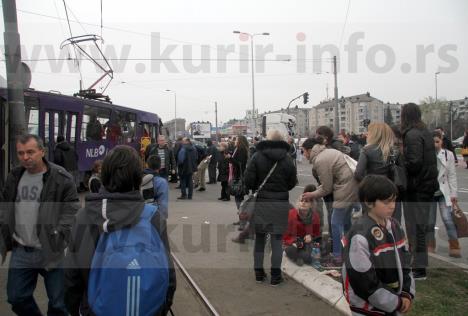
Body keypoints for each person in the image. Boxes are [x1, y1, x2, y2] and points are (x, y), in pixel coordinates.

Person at [64, 145, 176, 316]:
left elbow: (72, 278)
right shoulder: (153, 216)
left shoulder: (85, 216)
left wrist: (77, 309)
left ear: (104, 176)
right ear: (138, 179)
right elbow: (168, 275)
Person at [0, 134, 80, 315]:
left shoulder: (61, 177)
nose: (25, 157)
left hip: (51, 249)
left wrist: (60, 234)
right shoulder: (14, 176)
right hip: (22, 249)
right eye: (20, 153)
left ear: (42, 152)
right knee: (16, 298)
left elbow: (71, 209)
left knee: (59, 303)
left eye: (30, 152)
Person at [342, 175, 415, 316]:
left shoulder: (395, 226)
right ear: (369, 202)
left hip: (393, 302)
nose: (393, 206)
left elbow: (406, 261)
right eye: (387, 202)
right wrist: (395, 303)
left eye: (394, 200)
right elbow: (363, 281)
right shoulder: (360, 235)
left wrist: (406, 292)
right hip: (367, 308)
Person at [244, 130, 297, 286]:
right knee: (276, 240)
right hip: (280, 203)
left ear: (267, 140)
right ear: (281, 141)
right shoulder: (287, 159)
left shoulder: (257, 156)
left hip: (261, 203)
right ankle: (275, 275)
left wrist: (257, 188)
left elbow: (248, 180)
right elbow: (292, 182)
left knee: (260, 239)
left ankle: (259, 273)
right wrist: (280, 189)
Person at [301, 136, 358, 268]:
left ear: (310, 150)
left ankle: (337, 256)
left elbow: (327, 188)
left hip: (345, 187)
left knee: (335, 222)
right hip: (351, 185)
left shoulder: (320, 160)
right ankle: (350, 251)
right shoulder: (327, 152)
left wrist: (311, 194)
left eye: (304, 151)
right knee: (346, 222)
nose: (303, 155)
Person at [400, 103, 438, 280]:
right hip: (426, 185)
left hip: (417, 187)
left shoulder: (412, 134)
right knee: (419, 227)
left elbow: (414, 162)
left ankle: (419, 268)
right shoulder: (424, 132)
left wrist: (399, 163)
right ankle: (417, 263)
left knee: (416, 228)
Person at [354, 123, 405, 222]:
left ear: (374, 134)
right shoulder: (394, 151)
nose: (366, 134)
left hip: (372, 191)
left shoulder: (366, 150)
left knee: (372, 222)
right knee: (392, 222)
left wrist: (368, 183)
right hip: (391, 190)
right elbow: (400, 171)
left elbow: (358, 173)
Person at [427, 131, 461, 258]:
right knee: (430, 221)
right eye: (433, 142)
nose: (435, 144)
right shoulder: (426, 155)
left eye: (437, 141)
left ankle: (454, 245)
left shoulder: (448, 155)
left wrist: (454, 194)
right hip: (430, 192)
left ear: (442, 141)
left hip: (443, 192)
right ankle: (430, 245)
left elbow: (452, 176)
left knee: (448, 219)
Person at [283, 199, 320, 266]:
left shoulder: (315, 216)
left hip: (306, 243)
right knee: (290, 250)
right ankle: (301, 258)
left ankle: (299, 258)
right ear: (298, 203)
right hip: (294, 243)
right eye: (301, 201)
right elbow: (285, 234)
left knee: (315, 249)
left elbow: (316, 233)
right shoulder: (291, 214)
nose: (303, 203)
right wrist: (294, 241)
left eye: (306, 201)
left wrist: (311, 236)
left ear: (311, 205)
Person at [228, 135, 249, 210]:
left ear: (240, 141)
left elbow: (240, 163)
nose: (235, 141)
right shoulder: (237, 149)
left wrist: (230, 158)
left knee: (238, 196)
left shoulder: (241, 149)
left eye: (236, 140)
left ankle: (242, 216)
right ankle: (242, 216)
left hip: (239, 175)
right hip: (237, 174)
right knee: (239, 196)